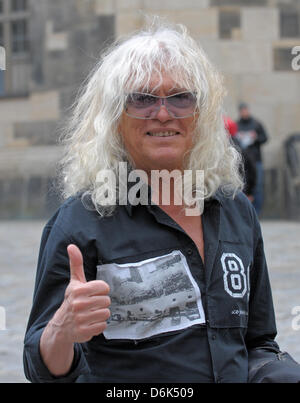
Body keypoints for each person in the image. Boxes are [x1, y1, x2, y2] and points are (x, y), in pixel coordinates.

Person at [23, 22, 300, 383]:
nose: (164, 113)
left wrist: (276, 373)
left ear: (200, 113)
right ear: (114, 119)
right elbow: (41, 369)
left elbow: (258, 341)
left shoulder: (235, 211)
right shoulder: (80, 223)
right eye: (143, 99)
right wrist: (62, 328)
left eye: (181, 97)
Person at [236, 103, 268, 216]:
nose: (244, 112)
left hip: (255, 159)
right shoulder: (237, 124)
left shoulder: (256, 123)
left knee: (257, 186)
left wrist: (256, 138)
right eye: (242, 110)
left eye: (245, 110)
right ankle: (244, 213)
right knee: (242, 186)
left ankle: (256, 213)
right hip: (241, 161)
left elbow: (265, 138)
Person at [224, 116, 257, 202]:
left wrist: (249, 192)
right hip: (237, 192)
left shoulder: (236, 149)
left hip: (234, 192)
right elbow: (252, 170)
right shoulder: (240, 146)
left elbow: (250, 170)